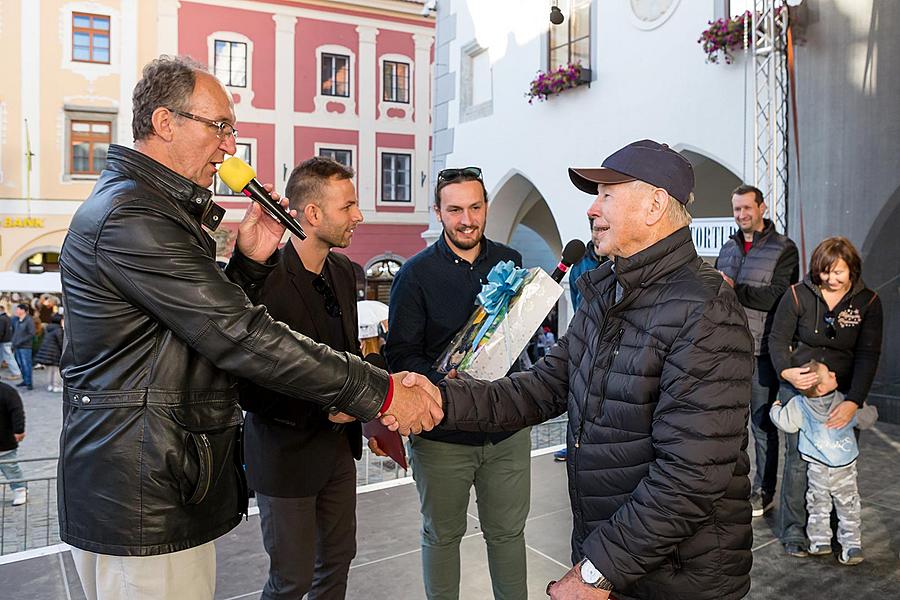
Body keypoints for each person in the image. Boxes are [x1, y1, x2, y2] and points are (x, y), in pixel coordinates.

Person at [57, 55, 441, 600]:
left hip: (155, 481)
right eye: (219, 127)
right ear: (166, 123)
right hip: (140, 494)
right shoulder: (132, 215)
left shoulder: (146, 208)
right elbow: (237, 334)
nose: (230, 147)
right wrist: (377, 393)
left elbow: (186, 335)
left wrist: (248, 264)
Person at [393, 140, 755, 600]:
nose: (591, 209)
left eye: (606, 194)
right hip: (618, 556)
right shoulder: (606, 293)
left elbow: (690, 476)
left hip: (679, 576)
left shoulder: (705, 307)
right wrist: (437, 399)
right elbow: (540, 388)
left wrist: (595, 571)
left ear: (654, 205)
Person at [383, 165, 532, 600]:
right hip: (442, 433)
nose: (467, 219)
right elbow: (401, 354)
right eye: (454, 210)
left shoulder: (511, 262)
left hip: (506, 428)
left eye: (475, 207)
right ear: (438, 212)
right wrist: (440, 381)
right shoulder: (413, 275)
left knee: (508, 535)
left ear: (485, 207)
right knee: (442, 536)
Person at [239, 157, 366, 600]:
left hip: (337, 453)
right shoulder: (262, 278)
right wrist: (327, 406)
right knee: (290, 581)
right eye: (348, 205)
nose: (359, 215)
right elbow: (247, 384)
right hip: (284, 455)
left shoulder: (346, 274)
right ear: (312, 214)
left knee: (337, 564)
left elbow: (349, 355)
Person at [768, 236, 883, 558]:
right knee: (798, 462)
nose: (831, 279)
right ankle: (795, 533)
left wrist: (853, 401)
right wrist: (785, 373)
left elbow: (868, 356)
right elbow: (778, 340)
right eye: (824, 272)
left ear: (852, 271)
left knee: (838, 466)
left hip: (842, 395)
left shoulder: (869, 303)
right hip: (799, 391)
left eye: (839, 272)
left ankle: (834, 532)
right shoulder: (796, 295)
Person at [715, 184, 799, 516]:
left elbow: (778, 296)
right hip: (727, 349)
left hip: (762, 350)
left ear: (761, 208)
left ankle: (764, 491)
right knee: (729, 425)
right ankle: (733, 486)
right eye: (736, 209)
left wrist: (735, 290)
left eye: (747, 208)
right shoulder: (728, 247)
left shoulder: (784, 249)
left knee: (762, 427)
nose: (741, 215)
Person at [769, 360, 878, 565]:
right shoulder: (844, 403)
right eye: (829, 374)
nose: (834, 373)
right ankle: (852, 546)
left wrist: (775, 408)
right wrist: (867, 407)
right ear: (820, 387)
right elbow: (867, 419)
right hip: (844, 468)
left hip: (817, 468)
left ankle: (820, 542)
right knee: (849, 506)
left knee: (818, 504)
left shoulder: (799, 404)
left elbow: (786, 423)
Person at [568, 218, 607, 311]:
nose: (600, 234)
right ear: (591, 231)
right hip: (584, 322)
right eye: (597, 229)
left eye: (604, 229)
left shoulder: (617, 261)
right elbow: (575, 298)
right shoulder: (579, 264)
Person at [0, 380, 27, 506]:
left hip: (3, 440)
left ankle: (19, 489)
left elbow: (17, 411)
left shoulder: (7, 391)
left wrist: (19, 430)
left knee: (10, 467)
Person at [35, 315, 64, 393]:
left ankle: (50, 385)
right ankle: (56, 386)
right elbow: (61, 343)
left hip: (47, 353)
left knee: (50, 370)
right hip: (54, 353)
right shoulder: (58, 330)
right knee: (56, 371)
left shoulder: (49, 328)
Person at [11, 304, 35, 391]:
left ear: (23, 310)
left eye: (18, 309)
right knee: (20, 364)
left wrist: (20, 341)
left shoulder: (29, 320)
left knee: (26, 365)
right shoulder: (16, 320)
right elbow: (14, 332)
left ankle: (29, 382)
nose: (16, 311)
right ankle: (25, 380)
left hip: (25, 347)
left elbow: (31, 334)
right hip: (17, 346)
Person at [0, 304, 22, 381]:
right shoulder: (7, 318)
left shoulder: (2, 319)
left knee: (9, 357)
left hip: (4, 341)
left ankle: (16, 373)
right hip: (8, 340)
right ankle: (16, 373)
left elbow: (1, 331)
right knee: (5, 357)